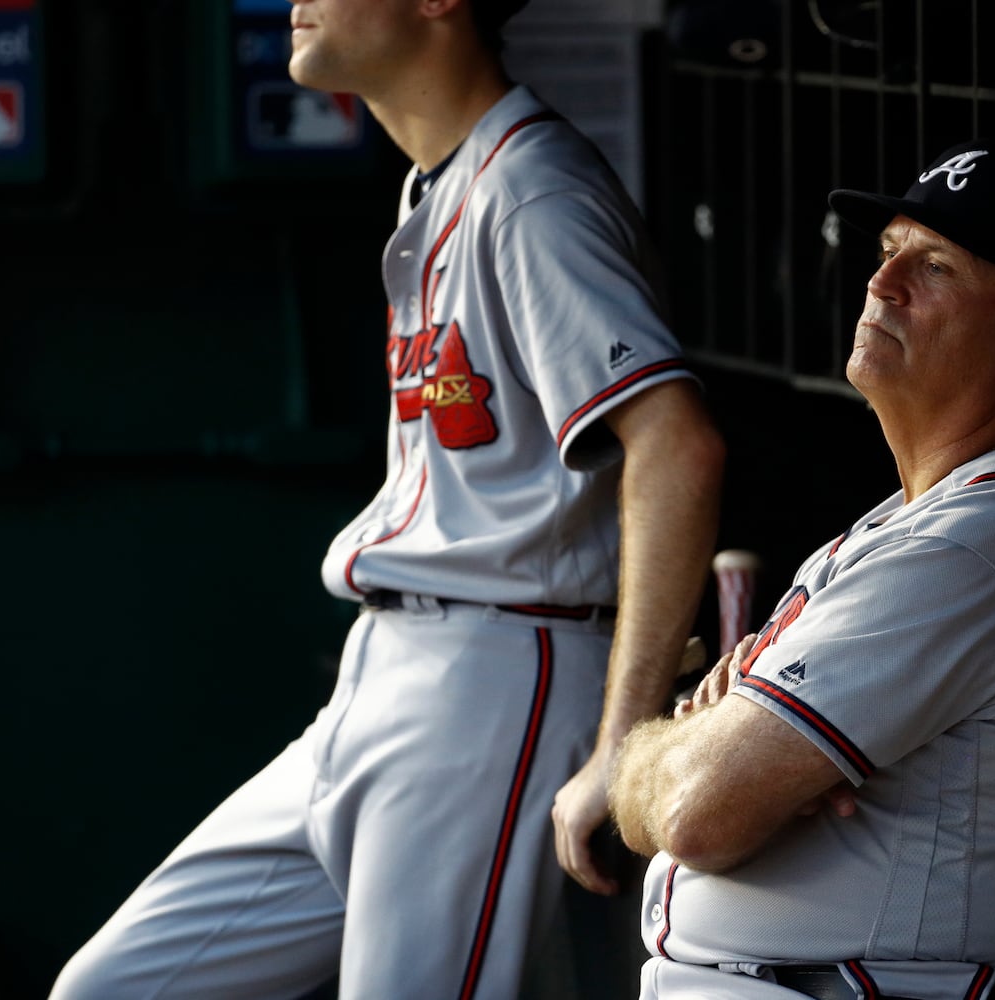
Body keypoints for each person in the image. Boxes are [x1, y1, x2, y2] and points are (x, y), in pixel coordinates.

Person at [51, 0, 724, 997]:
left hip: (501, 664)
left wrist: (621, 734)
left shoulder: (535, 192)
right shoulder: (441, 183)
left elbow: (675, 441)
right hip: (384, 671)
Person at [607, 137, 995, 1000]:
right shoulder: (932, 520)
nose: (881, 285)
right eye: (887, 253)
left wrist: (691, 746)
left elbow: (693, 812)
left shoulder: (970, 552)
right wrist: (717, 749)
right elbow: (710, 791)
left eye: (936, 267)